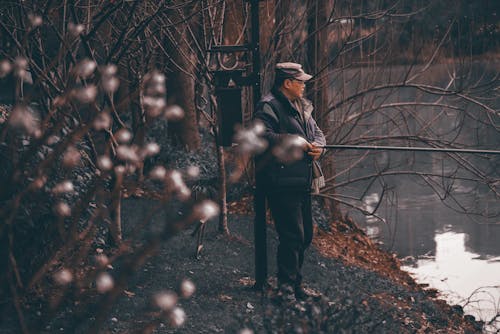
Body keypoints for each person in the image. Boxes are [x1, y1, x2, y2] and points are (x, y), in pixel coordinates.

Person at [253, 62, 326, 300]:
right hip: (280, 182)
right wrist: (295, 141)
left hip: (301, 180)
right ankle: (286, 290)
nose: (304, 86)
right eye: (301, 82)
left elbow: (317, 134)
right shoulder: (268, 106)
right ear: (287, 83)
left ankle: (294, 285)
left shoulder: (301, 106)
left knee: (304, 237)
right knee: (292, 236)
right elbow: (262, 136)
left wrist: (319, 148)